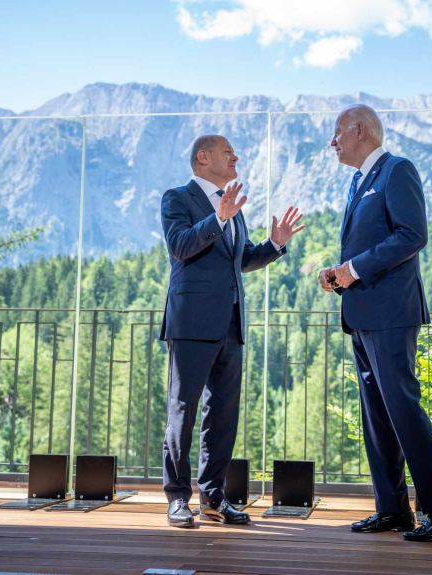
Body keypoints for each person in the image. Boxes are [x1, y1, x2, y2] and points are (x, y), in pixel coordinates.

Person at [318, 105, 432, 542]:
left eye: (337, 132)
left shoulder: (397, 170)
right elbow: (367, 245)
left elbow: (411, 234)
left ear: (360, 131)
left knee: (403, 409)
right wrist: (339, 272)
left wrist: (356, 268)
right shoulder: (358, 181)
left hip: (390, 313)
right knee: (377, 416)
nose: (333, 141)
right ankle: (392, 510)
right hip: (363, 313)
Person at [160, 134, 304, 528]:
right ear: (204, 157)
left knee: (222, 414)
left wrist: (274, 244)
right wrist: (219, 217)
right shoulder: (177, 198)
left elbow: (238, 261)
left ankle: (213, 496)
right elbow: (181, 246)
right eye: (228, 152)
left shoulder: (231, 205)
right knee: (183, 409)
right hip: (191, 322)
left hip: (231, 324)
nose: (236, 157)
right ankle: (176, 498)